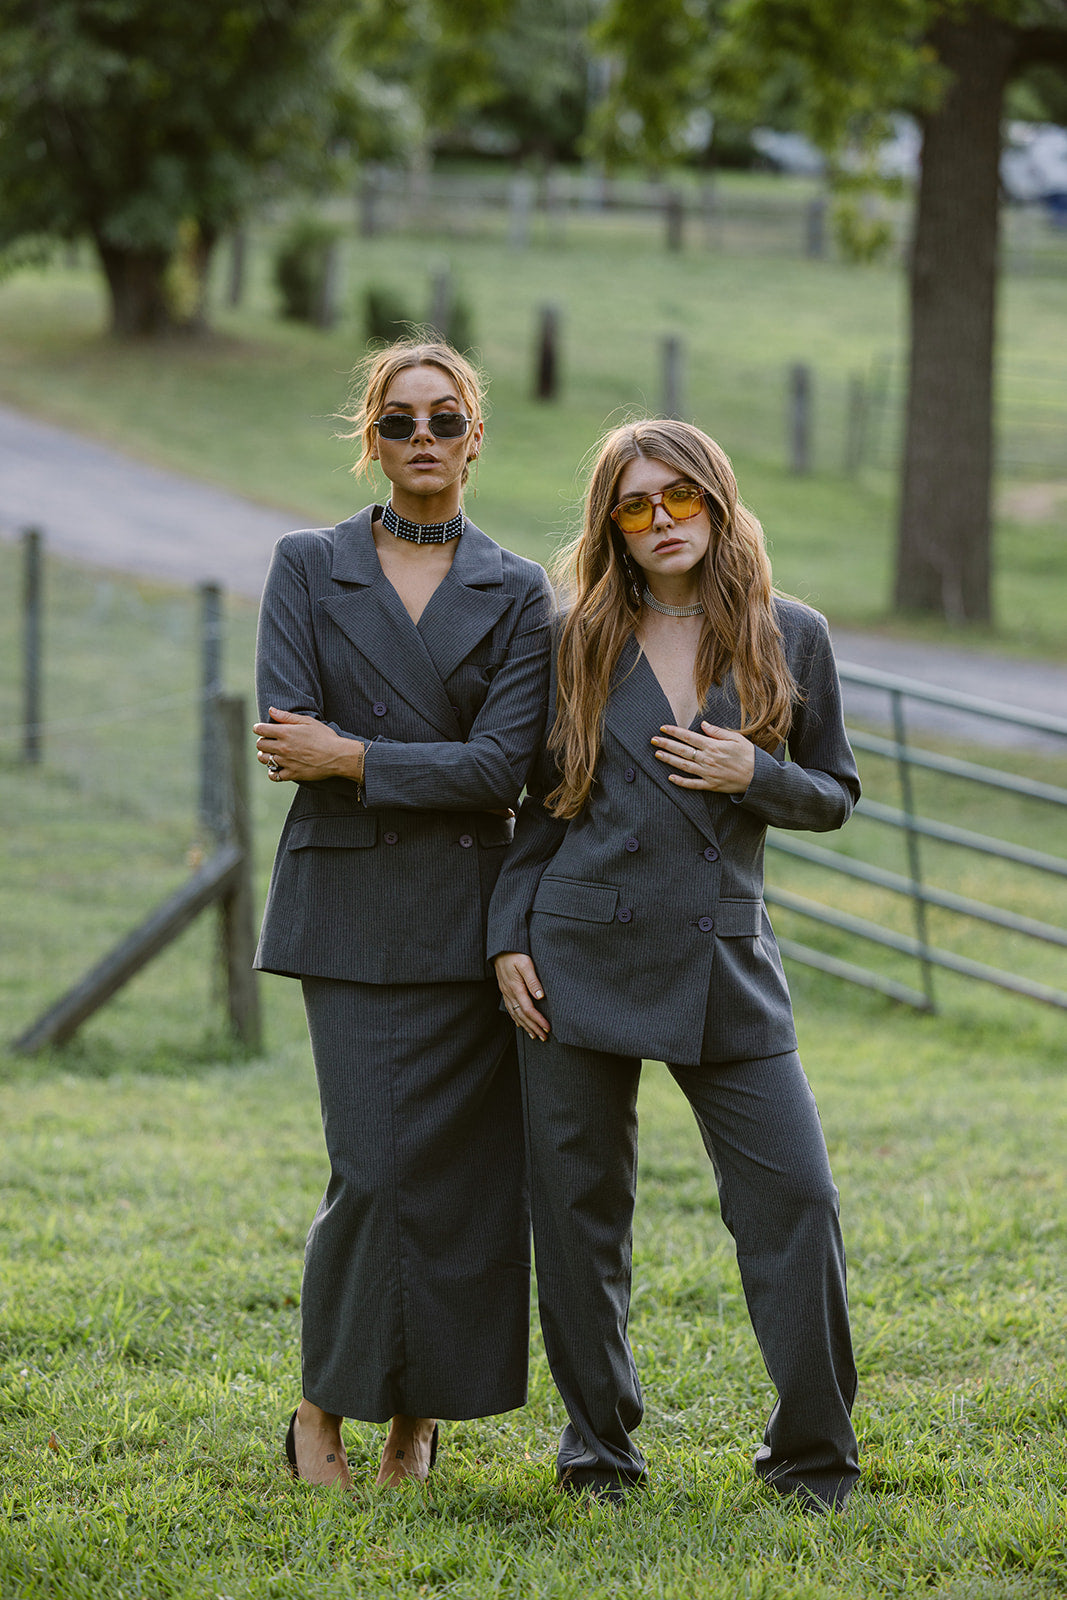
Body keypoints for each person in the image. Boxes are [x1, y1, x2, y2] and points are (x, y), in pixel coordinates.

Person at [489, 419, 861, 1510]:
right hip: (574, 953)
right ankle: (597, 1454)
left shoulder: (790, 634)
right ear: (611, 523)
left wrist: (755, 773)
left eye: (679, 497)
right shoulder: (573, 638)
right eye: (635, 505)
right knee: (578, 1214)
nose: (660, 520)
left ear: (715, 500)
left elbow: (833, 794)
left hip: (720, 956)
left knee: (796, 1199)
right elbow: (540, 806)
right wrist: (507, 936)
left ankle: (812, 1459)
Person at [253, 338, 553, 1489]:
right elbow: (287, 732)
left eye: (442, 419)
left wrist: (357, 756)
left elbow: (500, 769)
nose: (420, 437)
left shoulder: (517, 590)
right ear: (370, 442)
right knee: (372, 1171)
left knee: (460, 1182)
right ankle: (319, 1409)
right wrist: (373, 759)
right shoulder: (306, 564)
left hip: (472, 922)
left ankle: (415, 1424)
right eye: (397, 421)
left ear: (475, 438)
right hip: (347, 911)